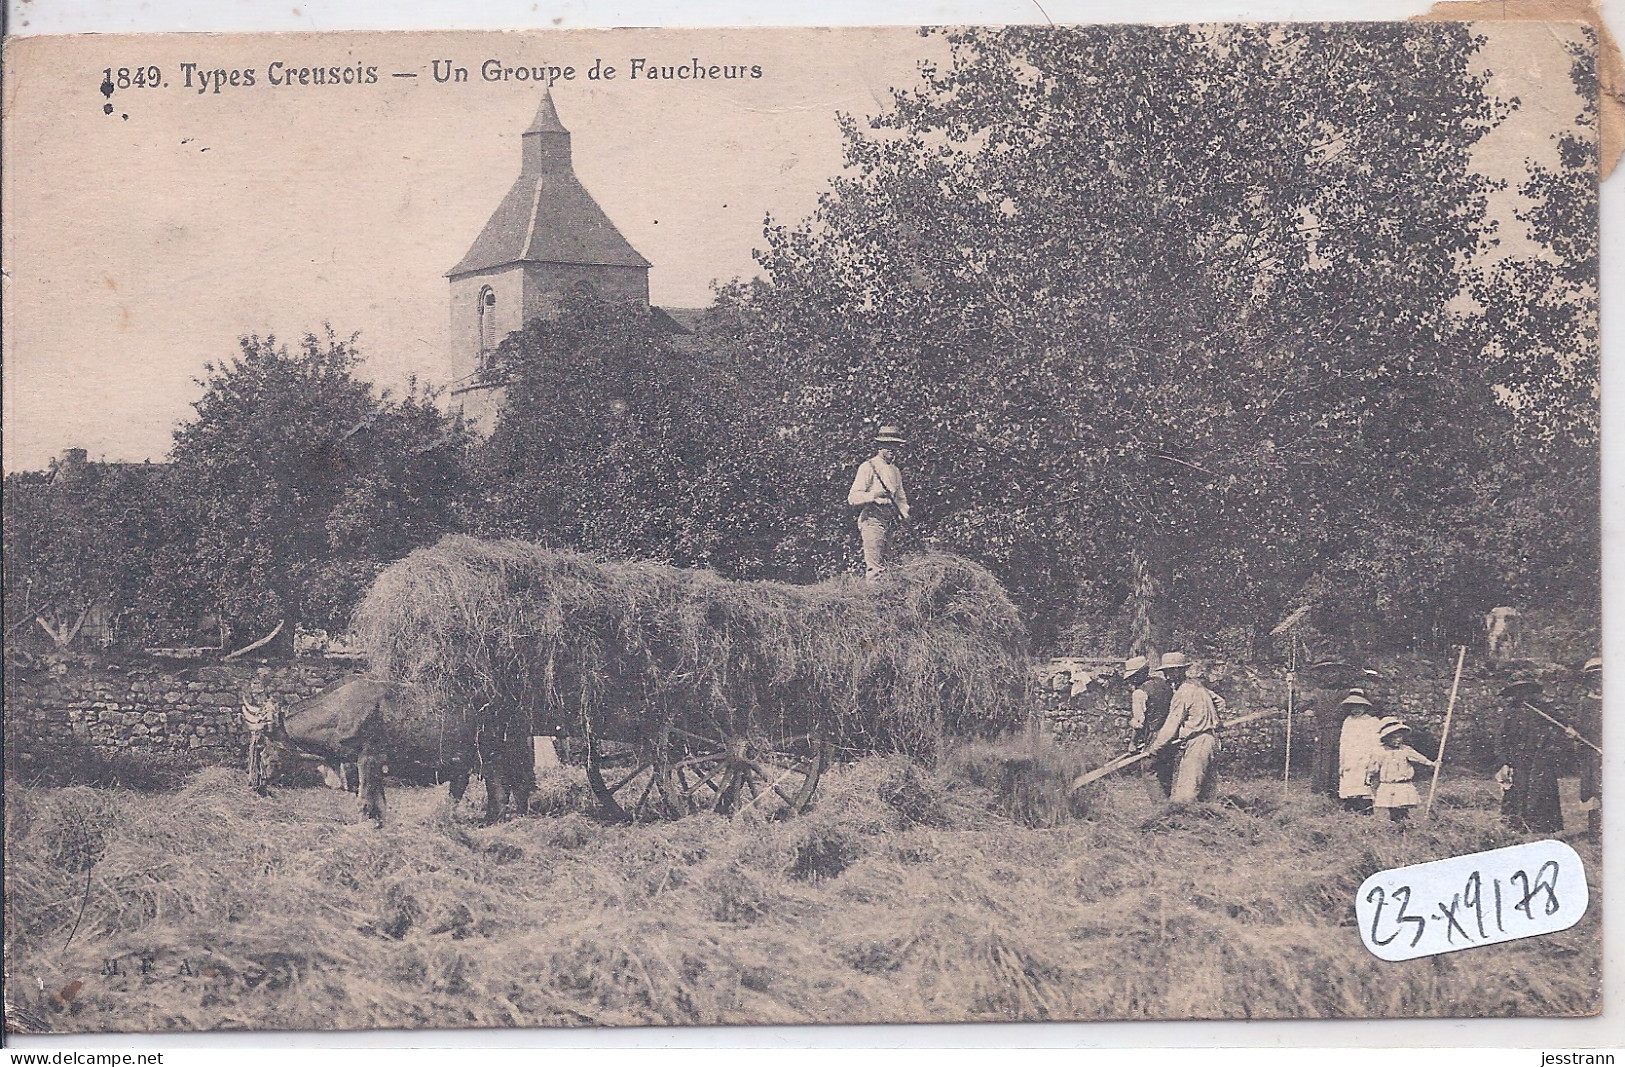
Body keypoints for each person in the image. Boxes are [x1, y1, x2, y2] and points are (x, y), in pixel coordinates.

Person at [1144, 651, 1225, 804]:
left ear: (1178, 670)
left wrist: (1155, 748)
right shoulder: (1198, 686)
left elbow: (1170, 726)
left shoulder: (1182, 693)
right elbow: (1220, 702)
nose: (1167, 676)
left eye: (1169, 672)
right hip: (1212, 740)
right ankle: (1207, 821)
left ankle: (1184, 824)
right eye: (1165, 672)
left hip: (1197, 743)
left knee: (1186, 794)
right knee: (1206, 794)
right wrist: (1213, 720)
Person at [1495, 677, 1567, 836]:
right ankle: (1517, 826)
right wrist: (1505, 762)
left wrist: (1568, 729)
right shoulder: (1510, 714)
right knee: (1518, 791)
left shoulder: (1543, 710)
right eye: (1519, 693)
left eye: (1526, 692)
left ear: (1532, 693)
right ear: (1514, 695)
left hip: (1539, 758)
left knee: (1540, 791)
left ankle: (1543, 827)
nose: (1523, 696)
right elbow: (1501, 739)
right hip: (1518, 759)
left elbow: (1561, 723)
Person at [847, 426, 911, 582]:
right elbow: (853, 497)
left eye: (895, 446)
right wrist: (873, 496)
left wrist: (904, 513)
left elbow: (901, 498)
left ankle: (886, 600)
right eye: (889, 446)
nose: (893, 450)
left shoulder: (895, 471)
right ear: (880, 446)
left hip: (890, 519)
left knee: (889, 565)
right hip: (872, 517)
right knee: (875, 567)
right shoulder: (868, 467)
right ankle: (873, 602)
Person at [1123, 655, 1176, 800]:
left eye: (1132, 677)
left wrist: (1133, 743)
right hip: (1172, 732)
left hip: (1155, 734)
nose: (1131, 681)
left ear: (1139, 674)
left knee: (1149, 770)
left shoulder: (1139, 693)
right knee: (1165, 770)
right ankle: (1169, 803)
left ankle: (1161, 808)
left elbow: (1139, 722)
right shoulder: (1165, 684)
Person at [1368, 718, 1435, 824]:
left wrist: (1431, 763)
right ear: (1386, 738)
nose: (1398, 740)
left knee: (1402, 806)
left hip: (1403, 784)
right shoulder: (1380, 752)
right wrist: (1370, 776)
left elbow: (1419, 758)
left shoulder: (1405, 750)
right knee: (1393, 807)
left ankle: (1404, 824)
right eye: (1393, 737)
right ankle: (1396, 824)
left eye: (1399, 737)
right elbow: (1374, 766)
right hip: (1389, 784)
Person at [1337, 692, 1382, 815]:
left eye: (1359, 706)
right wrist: (1342, 762)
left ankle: (1365, 811)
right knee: (1350, 784)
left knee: (1364, 784)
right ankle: (1351, 810)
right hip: (1350, 758)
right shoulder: (1348, 721)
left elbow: (1377, 743)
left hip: (1365, 758)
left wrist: (1374, 761)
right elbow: (1343, 742)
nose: (1356, 710)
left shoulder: (1372, 721)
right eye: (1353, 707)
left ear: (1365, 707)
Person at [1578, 657, 1602, 838]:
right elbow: (1581, 730)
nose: (1598, 682)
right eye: (1594, 679)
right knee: (1593, 789)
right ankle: (1594, 832)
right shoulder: (1585, 704)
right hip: (1591, 753)